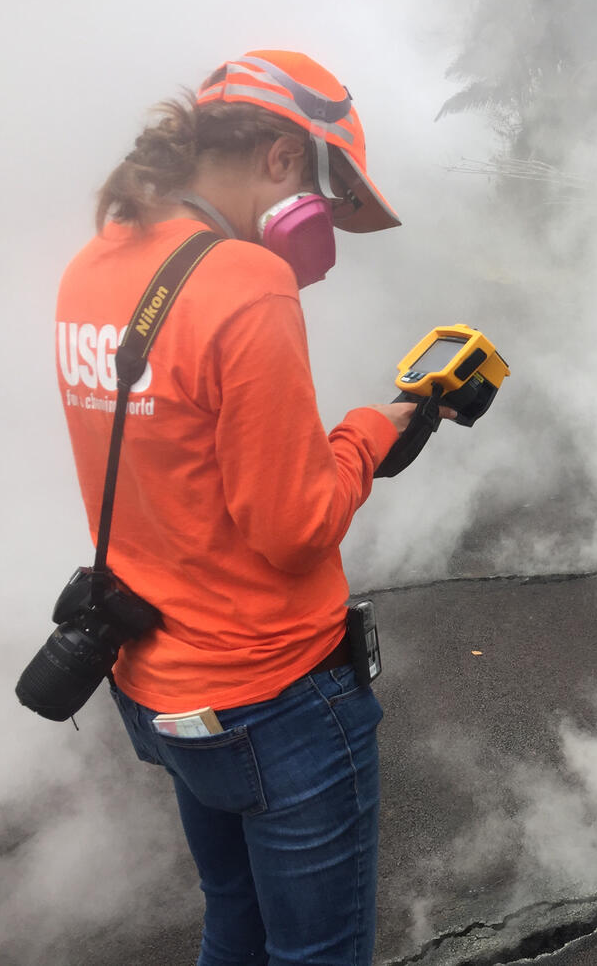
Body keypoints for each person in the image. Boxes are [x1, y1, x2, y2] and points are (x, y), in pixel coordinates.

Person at [55, 50, 444, 965]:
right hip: (275, 699)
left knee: (233, 921)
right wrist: (372, 431)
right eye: (323, 183)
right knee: (316, 953)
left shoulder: (93, 265)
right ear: (280, 155)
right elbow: (293, 529)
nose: (327, 217)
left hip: (158, 686)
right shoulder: (243, 282)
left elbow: (178, 462)